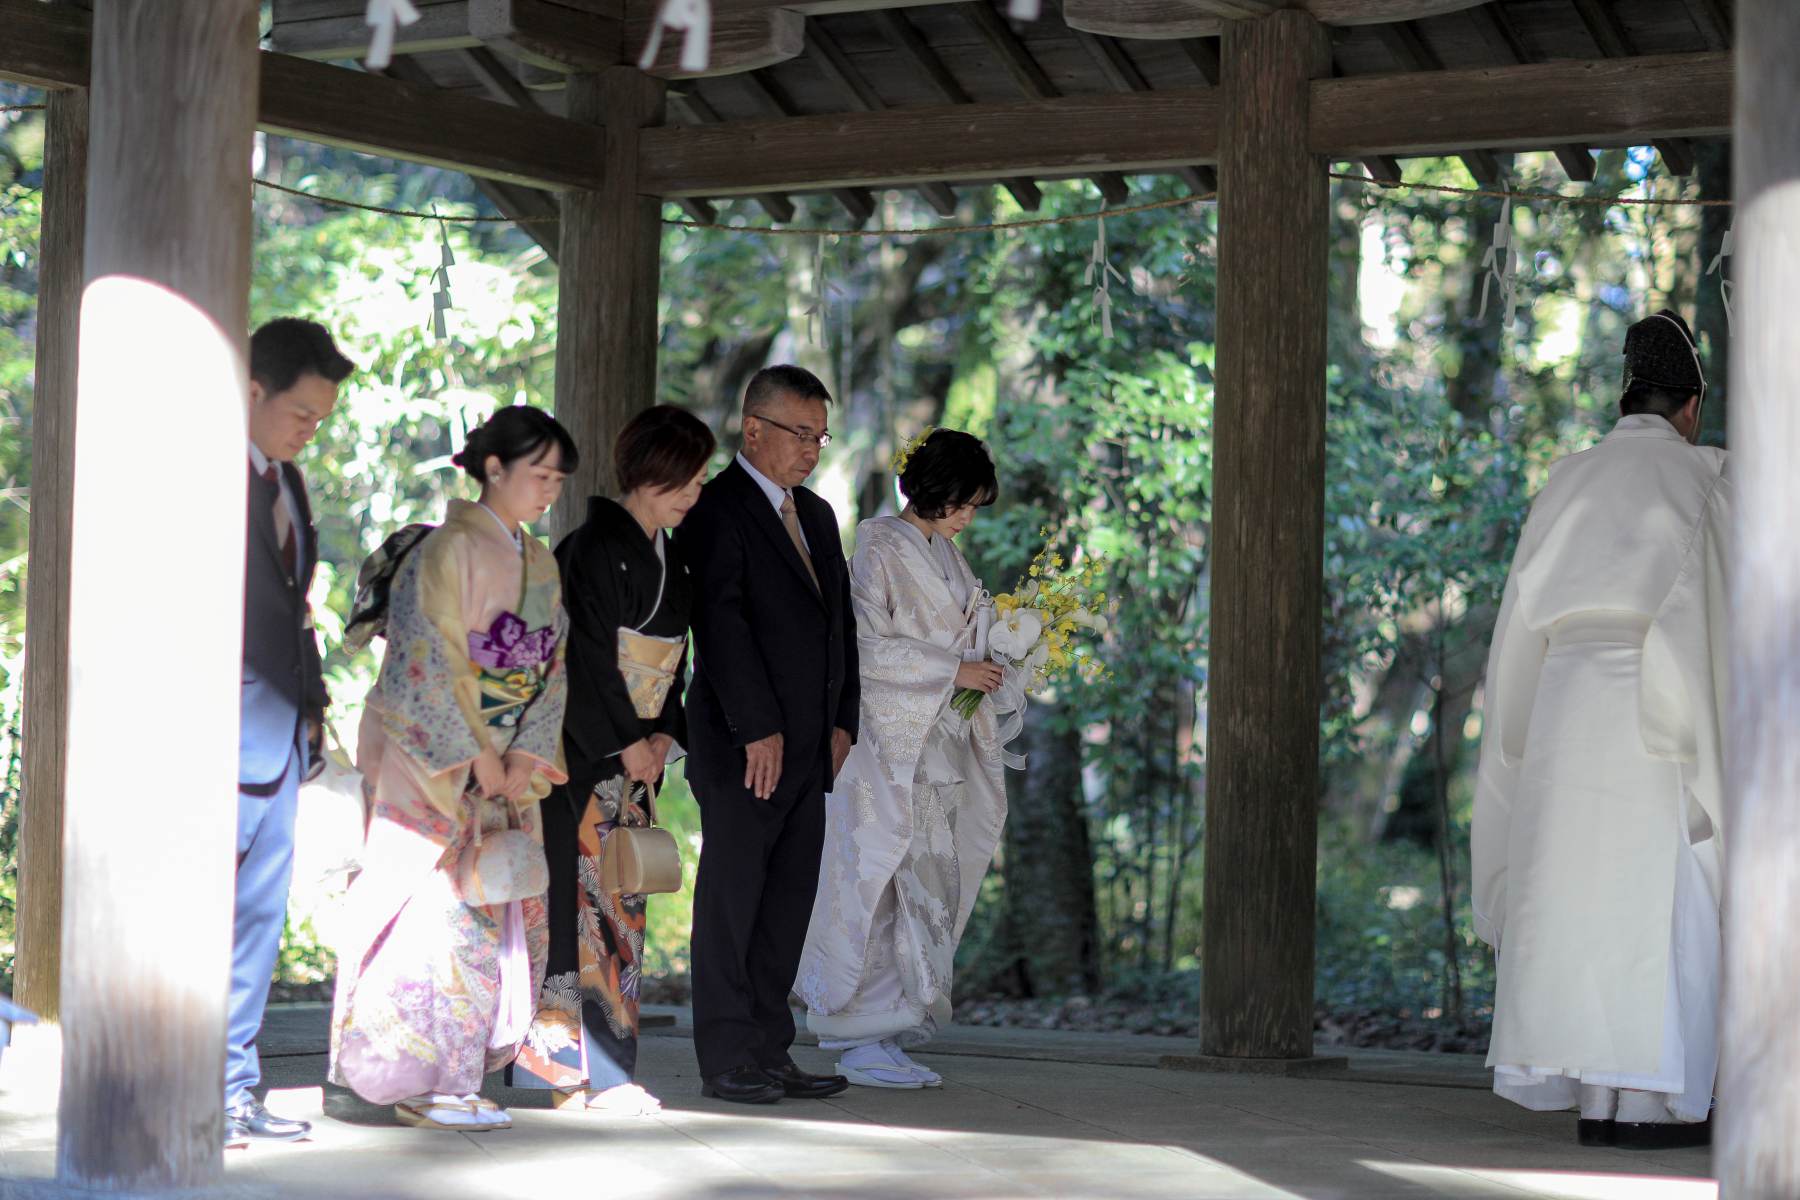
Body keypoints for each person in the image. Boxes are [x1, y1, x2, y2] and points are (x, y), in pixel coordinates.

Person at [1472, 309, 1730, 1150]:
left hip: (1565, 700)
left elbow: (1518, 628)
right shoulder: (1714, 477)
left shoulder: (1566, 477)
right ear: (1691, 408)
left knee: (1576, 895)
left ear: (1625, 400)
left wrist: (1516, 739)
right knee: (1666, 896)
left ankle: (1598, 1102)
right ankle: (1657, 1105)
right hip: (1664, 699)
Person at [329, 406, 575, 1132]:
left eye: (558, 479)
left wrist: (524, 755)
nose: (549, 490)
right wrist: (476, 756)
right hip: (434, 765)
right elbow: (425, 662)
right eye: (538, 475)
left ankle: (461, 1079)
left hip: (503, 762)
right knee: (426, 915)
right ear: (492, 470)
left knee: (488, 910)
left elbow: (551, 668)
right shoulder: (446, 554)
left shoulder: (540, 560)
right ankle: (405, 1081)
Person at [508, 405, 715, 1115]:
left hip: (635, 754)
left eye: (698, 479)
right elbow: (586, 657)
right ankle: (566, 1069)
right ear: (647, 472)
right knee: (576, 907)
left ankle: (609, 1068)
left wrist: (663, 737)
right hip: (583, 754)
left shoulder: (672, 557)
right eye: (682, 478)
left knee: (622, 905)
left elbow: (677, 661)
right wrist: (627, 737)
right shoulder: (592, 548)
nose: (692, 491)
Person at [797, 429, 1010, 1089]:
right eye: (964, 503)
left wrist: (998, 652)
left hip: (937, 741)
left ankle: (889, 1030)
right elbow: (866, 645)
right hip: (889, 744)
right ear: (935, 490)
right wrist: (954, 667)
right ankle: (856, 1031)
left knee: (924, 886)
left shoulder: (950, 557)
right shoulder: (878, 548)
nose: (968, 517)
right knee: (879, 883)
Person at [682, 365, 859, 1104]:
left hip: (813, 746)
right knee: (733, 904)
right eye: (800, 432)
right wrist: (757, 728)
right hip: (742, 748)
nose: (812, 447)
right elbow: (720, 625)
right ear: (753, 429)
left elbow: (838, 626)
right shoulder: (715, 508)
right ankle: (726, 1056)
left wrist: (845, 720)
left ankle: (770, 1049)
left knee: (787, 904)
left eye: (820, 434)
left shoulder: (815, 514)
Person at [229, 318, 351, 1149]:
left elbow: (295, 613)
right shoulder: (199, 474)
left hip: (279, 737)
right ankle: (170, 1080)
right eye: (301, 414)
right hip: (207, 735)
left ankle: (233, 1087)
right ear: (253, 390)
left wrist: (312, 709)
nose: (311, 430)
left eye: (321, 418)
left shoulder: (291, 483)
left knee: (256, 923)